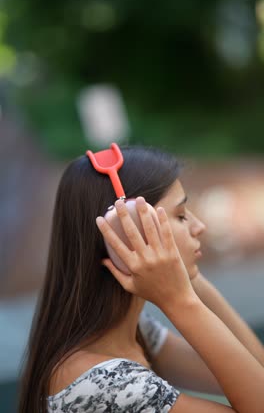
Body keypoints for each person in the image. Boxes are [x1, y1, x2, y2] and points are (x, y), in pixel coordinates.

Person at [18, 144, 264, 413]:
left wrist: (189, 279)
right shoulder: (101, 385)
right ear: (127, 232)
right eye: (181, 215)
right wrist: (179, 300)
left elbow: (255, 366)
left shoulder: (133, 331)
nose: (199, 226)